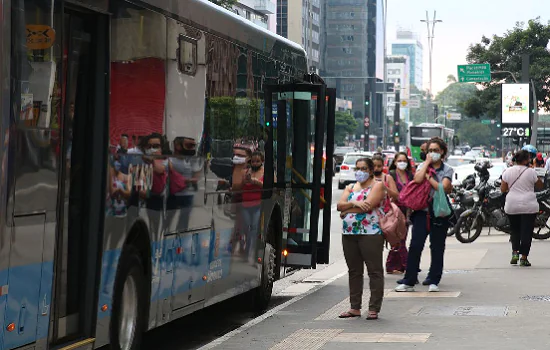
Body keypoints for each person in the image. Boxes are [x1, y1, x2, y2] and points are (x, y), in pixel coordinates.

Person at [396, 137, 453, 293]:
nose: (433, 153)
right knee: (415, 246)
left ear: (442, 152)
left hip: (439, 212)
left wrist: (429, 177)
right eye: (430, 151)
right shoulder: (422, 166)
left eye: (436, 150)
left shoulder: (447, 169)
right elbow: (417, 179)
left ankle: (434, 279)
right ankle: (409, 280)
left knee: (437, 247)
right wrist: (427, 164)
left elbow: (444, 187)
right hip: (422, 212)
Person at [337, 158, 388, 320]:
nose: (360, 171)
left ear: (371, 170)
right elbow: (339, 205)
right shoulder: (351, 187)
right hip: (349, 233)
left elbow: (370, 205)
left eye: (364, 168)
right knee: (354, 271)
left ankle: (374, 308)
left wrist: (348, 209)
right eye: (358, 168)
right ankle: (355, 307)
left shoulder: (378, 185)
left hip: (371, 233)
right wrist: (352, 202)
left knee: (374, 271)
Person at [501, 150, 543, 267]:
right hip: (528, 205)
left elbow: (503, 189)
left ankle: (515, 253)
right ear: (526, 160)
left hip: (512, 204)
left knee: (515, 230)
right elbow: (540, 185)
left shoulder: (507, 171)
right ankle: (524, 258)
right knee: (527, 232)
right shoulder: (531, 172)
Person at [385, 152, 414, 274]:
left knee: (403, 237)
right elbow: (394, 194)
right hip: (395, 210)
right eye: (399, 160)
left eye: (404, 160)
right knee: (398, 238)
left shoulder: (410, 175)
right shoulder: (391, 175)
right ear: (395, 162)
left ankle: (396, 265)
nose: (402, 163)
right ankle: (407, 264)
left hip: (407, 210)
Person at [241, 151, 265, 263]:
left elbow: (268, 186)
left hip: (257, 205)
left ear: (262, 161)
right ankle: (246, 248)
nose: (255, 163)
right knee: (246, 227)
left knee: (253, 228)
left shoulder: (265, 173)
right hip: (245, 204)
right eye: (253, 161)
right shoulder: (246, 171)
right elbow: (239, 184)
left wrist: (255, 181)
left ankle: (249, 252)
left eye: (258, 161)